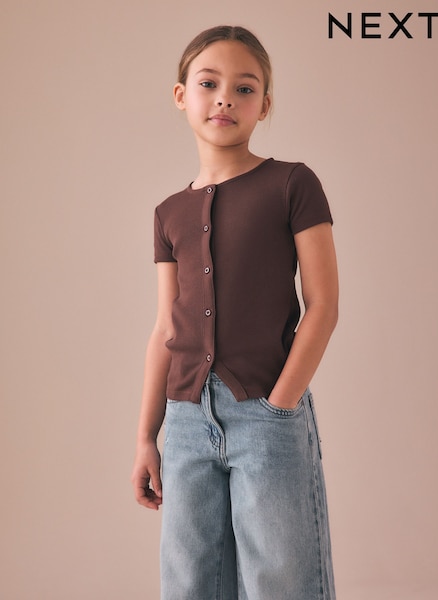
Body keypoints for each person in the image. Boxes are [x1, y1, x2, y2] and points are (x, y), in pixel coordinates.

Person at [131, 25, 338, 600]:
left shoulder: (292, 184)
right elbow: (166, 328)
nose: (225, 98)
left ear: (264, 105)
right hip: (185, 421)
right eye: (209, 83)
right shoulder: (168, 212)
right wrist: (147, 436)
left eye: (244, 89)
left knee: (282, 582)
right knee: (189, 582)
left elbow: (323, 305)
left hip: (266, 411)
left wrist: (281, 405)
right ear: (182, 96)